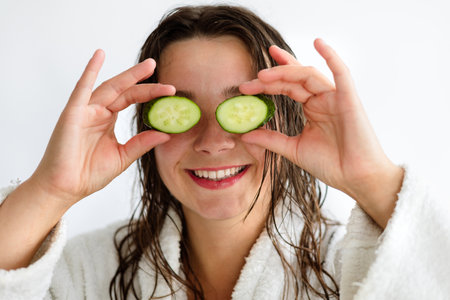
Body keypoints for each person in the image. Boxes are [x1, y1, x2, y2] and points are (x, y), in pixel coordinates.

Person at [0, 4, 447, 300]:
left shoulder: (353, 268)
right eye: (182, 111)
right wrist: (50, 189)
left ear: (287, 118)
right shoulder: (88, 271)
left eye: (240, 110)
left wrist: (371, 178)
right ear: (146, 124)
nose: (213, 141)